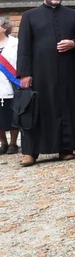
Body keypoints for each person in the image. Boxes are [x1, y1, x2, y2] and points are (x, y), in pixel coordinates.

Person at [16, 0, 75, 167]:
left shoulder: (72, 15)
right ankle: (30, 152)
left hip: (67, 73)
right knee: (36, 111)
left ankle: (66, 148)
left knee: (66, 108)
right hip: (40, 74)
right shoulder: (30, 16)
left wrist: (73, 43)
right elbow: (24, 47)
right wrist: (24, 73)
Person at [0, 17, 20, 155]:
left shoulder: (15, 43)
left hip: (11, 83)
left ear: (4, 28)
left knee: (13, 115)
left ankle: (13, 143)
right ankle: (3, 143)